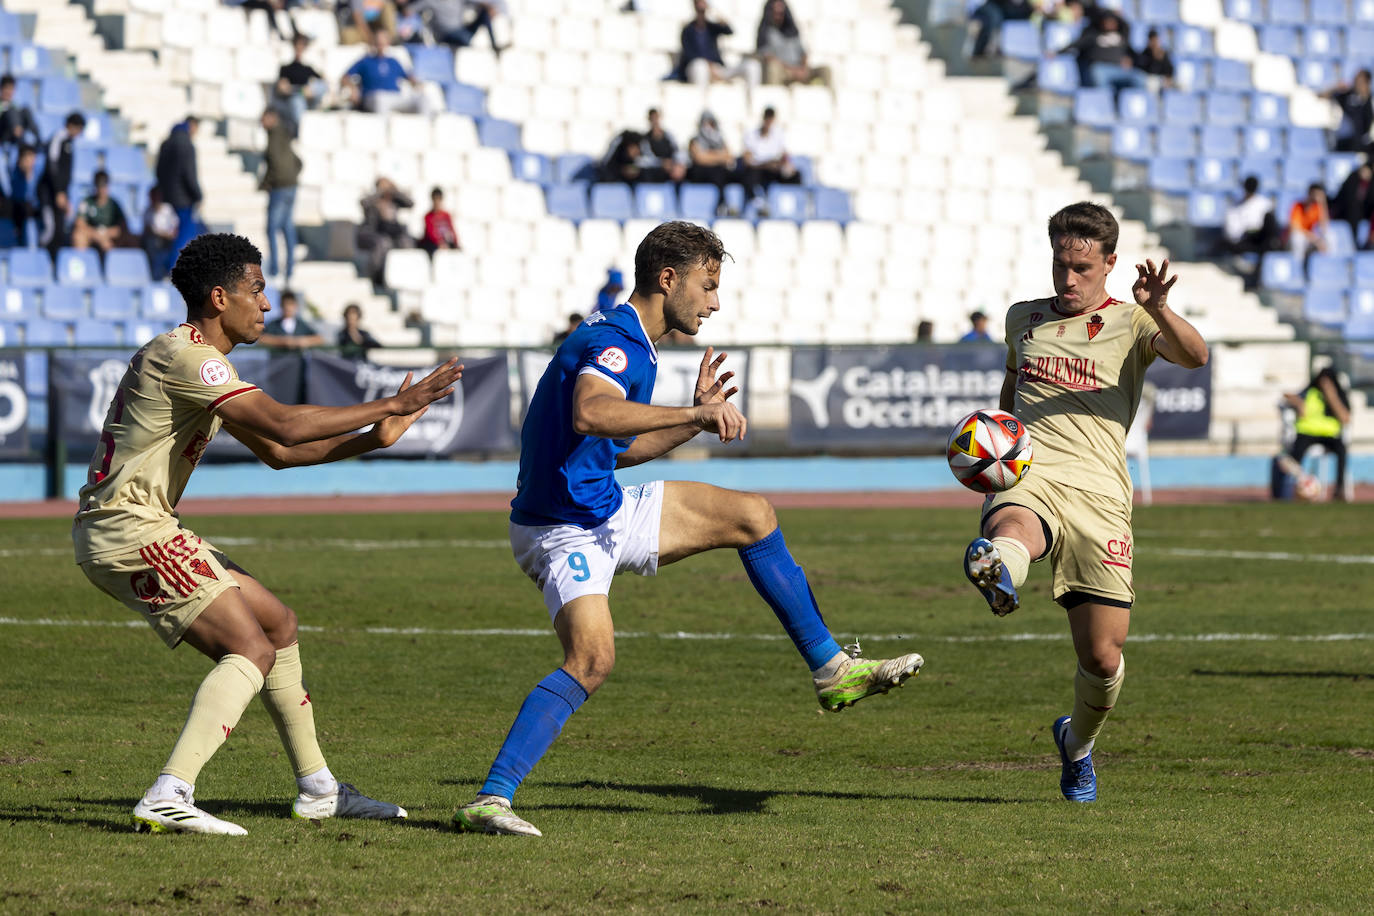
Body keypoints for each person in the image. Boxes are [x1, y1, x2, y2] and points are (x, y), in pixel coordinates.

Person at [452, 220, 925, 837]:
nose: (715, 300)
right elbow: (591, 413)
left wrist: (691, 425)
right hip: (560, 529)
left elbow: (616, 449)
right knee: (592, 660)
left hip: (605, 507)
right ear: (668, 279)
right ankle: (490, 798)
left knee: (752, 515)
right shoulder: (618, 341)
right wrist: (693, 409)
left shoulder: (635, 343)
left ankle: (831, 670)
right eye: (708, 284)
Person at [72, 233, 463, 835]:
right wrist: (393, 402)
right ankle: (169, 791)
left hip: (143, 525)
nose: (268, 305)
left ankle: (319, 789)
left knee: (277, 624)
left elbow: (280, 451)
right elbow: (283, 421)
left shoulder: (203, 363)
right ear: (219, 296)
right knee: (249, 648)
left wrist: (374, 439)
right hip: (127, 529)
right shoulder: (189, 357)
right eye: (257, 290)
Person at [962, 202, 1208, 803]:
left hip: (1100, 491)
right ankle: (998, 565)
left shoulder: (1132, 322)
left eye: (1081, 267)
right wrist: (992, 439)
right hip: (1032, 471)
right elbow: (1010, 389)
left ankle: (1077, 744)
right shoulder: (1023, 318)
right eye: (1060, 264)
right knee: (1016, 524)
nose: (1068, 279)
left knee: (1102, 656)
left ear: (1109, 264)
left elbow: (1196, 357)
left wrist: (1159, 308)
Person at [1283, 366, 1351, 501]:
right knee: (1294, 456)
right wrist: (1298, 403)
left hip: (1329, 435)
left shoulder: (1338, 395)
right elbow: (1287, 395)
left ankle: (1339, 488)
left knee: (1342, 450)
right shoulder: (1309, 392)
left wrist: (1331, 397)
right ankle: (1295, 487)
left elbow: (1345, 419)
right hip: (1307, 433)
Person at [341, 31, 433, 116]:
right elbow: (345, 77)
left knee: (423, 100)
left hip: (394, 96)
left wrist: (417, 84)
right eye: (378, 42)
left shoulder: (393, 61)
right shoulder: (366, 60)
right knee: (380, 100)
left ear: (387, 43)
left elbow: (409, 77)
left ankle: (425, 131)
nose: (380, 45)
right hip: (374, 96)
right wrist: (353, 88)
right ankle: (383, 131)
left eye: (382, 42)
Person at [1056, 11, 1144, 95]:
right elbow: (1075, 45)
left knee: (1139, 77)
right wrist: (1057, 52)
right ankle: (1105, 103)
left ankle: (1128, 105)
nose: (1109, 23)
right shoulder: (1093, 35)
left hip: (1119, 69)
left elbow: (1127, 30)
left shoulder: (1121, 36)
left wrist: (1129, 59)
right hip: (1100, 68)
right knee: (1097, 74)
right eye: (1106, 21)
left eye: (1112, 21)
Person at [260, 107, 302, 286]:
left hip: (280, 187)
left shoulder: (274, 136)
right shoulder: (284, 134)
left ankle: (275, 270)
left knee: (271, 228)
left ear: (271, 117)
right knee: (286, 227)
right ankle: (290, 270)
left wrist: (266, 182)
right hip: (291, 185)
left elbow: (275, 163)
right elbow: (298, 162)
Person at [675, 0, 760, 86]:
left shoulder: (712, 27)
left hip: (717, 68)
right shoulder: (687, 30)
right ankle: (701, 98)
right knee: (700, 66)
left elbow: (729, 31)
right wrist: (708, 65)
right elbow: (688, 54)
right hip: (698, 69)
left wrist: (715, 12)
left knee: (752, 66)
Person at [37, 111, 86, 256]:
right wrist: (59, 191)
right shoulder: (59, 138)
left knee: (60, 230)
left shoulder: (69, 142)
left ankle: (53, 264)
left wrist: (65, 195)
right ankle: (40, 260)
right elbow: (52, 165)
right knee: (50, 230)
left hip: (60, 194)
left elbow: (66, 174)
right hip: (49, 193)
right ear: (71, 125)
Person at [155, 117, 204, 258]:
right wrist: (198, 195)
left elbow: (158, 171)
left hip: (166, 198)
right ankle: (176, 267)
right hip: (184, 200)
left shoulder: (165, 144)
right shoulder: (187, 145)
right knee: (184, 234)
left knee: (169, 234)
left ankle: (165, 266)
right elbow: (189, 175)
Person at [755, 0, 830, 86]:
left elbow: (803, 54)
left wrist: (803, 68)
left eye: (781, 13)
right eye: (775, 12)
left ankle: (831, 98)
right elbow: (768, 57)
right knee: (773, 68)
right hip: (784, 71)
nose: (778, 16)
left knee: (826, 70)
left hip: (800, 70)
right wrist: (792, 70)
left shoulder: (793, 32)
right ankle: (773, 97)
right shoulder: (766, 32)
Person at [741, 106, 801, 212]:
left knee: (796, 175)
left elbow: (784, 155)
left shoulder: (779, 134)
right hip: (758, 169)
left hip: (774, 169)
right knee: (749, 175)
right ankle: (757, 201)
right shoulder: (751, 135)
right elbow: (747, 160)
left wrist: (786, 164)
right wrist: (765, 164)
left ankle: (793, 208)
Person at [358, 177, 414, 287]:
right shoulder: (373, 201)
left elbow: (410, 203)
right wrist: (380, 193)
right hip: (373, 234)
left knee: (407, 242)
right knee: (383, 243)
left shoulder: (394, 200)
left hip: (393, 234)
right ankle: (376, 277)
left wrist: (395, 191)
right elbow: (363, 203)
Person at [686, 110, 738, 212]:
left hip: (717, 173)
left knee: (726, 173)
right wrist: (719, 157)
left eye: (711, 123)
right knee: (718, 171)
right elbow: (699, 159)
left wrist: (709, 155)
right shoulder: (695, 139)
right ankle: (722, 204)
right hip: (700, 174)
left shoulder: (720, 139)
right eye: (706, 123)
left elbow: (729, 157)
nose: (708, 127)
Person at [1217, 175, 1278, 257]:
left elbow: (1269, 228)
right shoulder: (1235, 208)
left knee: (1269, 220)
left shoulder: (1265, 204)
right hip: (1245, 241)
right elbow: (1232, 233)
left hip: (1261, 241)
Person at [71, 170, 129, 256]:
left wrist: (105, 234)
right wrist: (98, 236)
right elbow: (79, 223)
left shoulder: (114, 204)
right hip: (91, 236)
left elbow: (122, 228)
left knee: (131, 239)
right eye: (99, 186)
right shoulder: (86, 202)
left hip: (109, 237)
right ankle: (82, 265)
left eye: (104, 185)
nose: (101, 189)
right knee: (78, 236)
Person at [276, 35, 328, 125]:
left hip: (310, 99)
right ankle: (301, 129)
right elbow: (283, 89)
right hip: (295, 97)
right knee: (297, 102)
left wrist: (310, 89)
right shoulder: (286, 68)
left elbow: (322, 82)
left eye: (303, 45)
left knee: (321, 86)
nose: (300, 47)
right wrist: (301, 91)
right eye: (298, 44)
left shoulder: (308, 68)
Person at [1322, 70, 1373, 154]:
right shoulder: (1347, 95)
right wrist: (1336, 88)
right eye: (1356, 80)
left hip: (1366, 145)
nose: (1357, 84)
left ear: (1367, 83)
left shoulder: (1371, 101)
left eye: (1361, 81)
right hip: (1347, 143)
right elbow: (1324, 96)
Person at [259, 290, 324, 352]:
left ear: (296, 306)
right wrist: (282, 342)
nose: (288, 308)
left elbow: (319, 339)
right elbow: (261, 339)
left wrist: (303, 341)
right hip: (278, 362)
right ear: (281, 306)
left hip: (298, 362)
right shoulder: (274, 324)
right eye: (285, 305)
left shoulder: (301, 324)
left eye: (290, 304)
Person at [968, 0, 1033, 59]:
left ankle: (989, 48)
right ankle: (982, 50)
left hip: (1001, 10)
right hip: (987, 9)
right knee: (990, 18)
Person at [1331, 160, 1374, 249]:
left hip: (1366, 211)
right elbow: (1345, 197)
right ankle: (1353, 243)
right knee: (1354, 210)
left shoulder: (1371, 183)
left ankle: (1370, 241)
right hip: (1349, 211)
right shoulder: (1353, 178)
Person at [141, 185, 180, 282]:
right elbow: (148, 230)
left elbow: (174, 231)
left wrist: (162, 233)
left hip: (168, 242)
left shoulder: (168, 209)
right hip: (154, 243)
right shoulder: (147, 211)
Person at [639, 108, 687, 184]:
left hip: (671, 167)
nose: (655, 121)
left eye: (656, 118)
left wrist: (675, 164)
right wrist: (661, 163)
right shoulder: (645, 139)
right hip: (656, 169)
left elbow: (677, 151)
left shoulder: (669, 136)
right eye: (652, 118)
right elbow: (646, 158)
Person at [1287, 182, 1330, 263]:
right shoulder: (1297, 206)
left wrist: (1323, 204)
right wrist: (1315, 239)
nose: (1316, 198)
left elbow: (1324, 228)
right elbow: (1295, 229)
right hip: (1301, 238)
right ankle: (1297, 266)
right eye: (1315, 195)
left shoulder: (1318, 207)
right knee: (1297, 238)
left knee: (1329, 237)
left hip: (1310, 239)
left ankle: (1327, 266)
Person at [9, 143, 39, 246]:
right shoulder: (14, 175)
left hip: (36, 211)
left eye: (32, 156)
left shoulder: (39, 172)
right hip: (20, 211)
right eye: (26, 157)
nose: (29, 161)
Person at [0, 74, 40, 148]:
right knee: (10, 111)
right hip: (3, 134)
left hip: (14, 136)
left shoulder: (15, 105)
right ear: (1, 89)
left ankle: (38, 141)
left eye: (11, 89)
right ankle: (19, 136)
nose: (9, 92)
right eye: (7, 88)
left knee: (25, 110)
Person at [420, 186, 459, 255]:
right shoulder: (428, 216)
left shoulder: (446, 215)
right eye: (435, 199)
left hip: (444, 243)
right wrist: (440, 243)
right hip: (433, 245)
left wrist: (456, 243)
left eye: (439, 199)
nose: (437, 202)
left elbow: (452, 231)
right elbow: (430, 234)